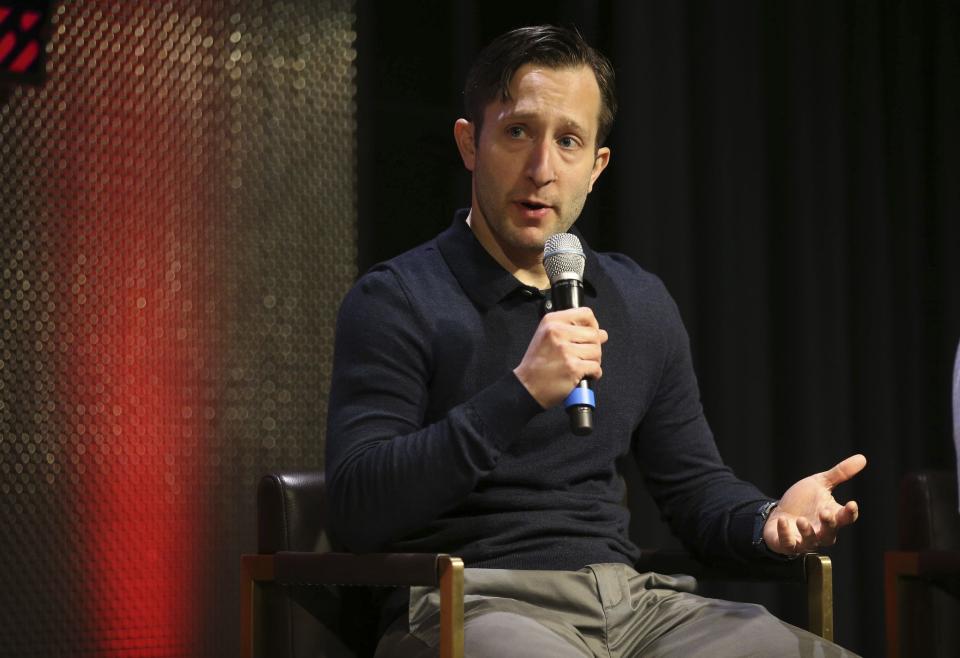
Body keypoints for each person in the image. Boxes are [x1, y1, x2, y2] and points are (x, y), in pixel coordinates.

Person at [325, 24, 866, 657]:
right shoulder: (398, 297)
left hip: (634, 606)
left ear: (597, 166)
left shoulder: (637, 301)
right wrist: (521, 391)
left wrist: (768, 520)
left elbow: (693, 489)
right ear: (470, 143)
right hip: (476, 602)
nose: (542, 169)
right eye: (518, 132)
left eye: (569, 141)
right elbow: (357, 508)